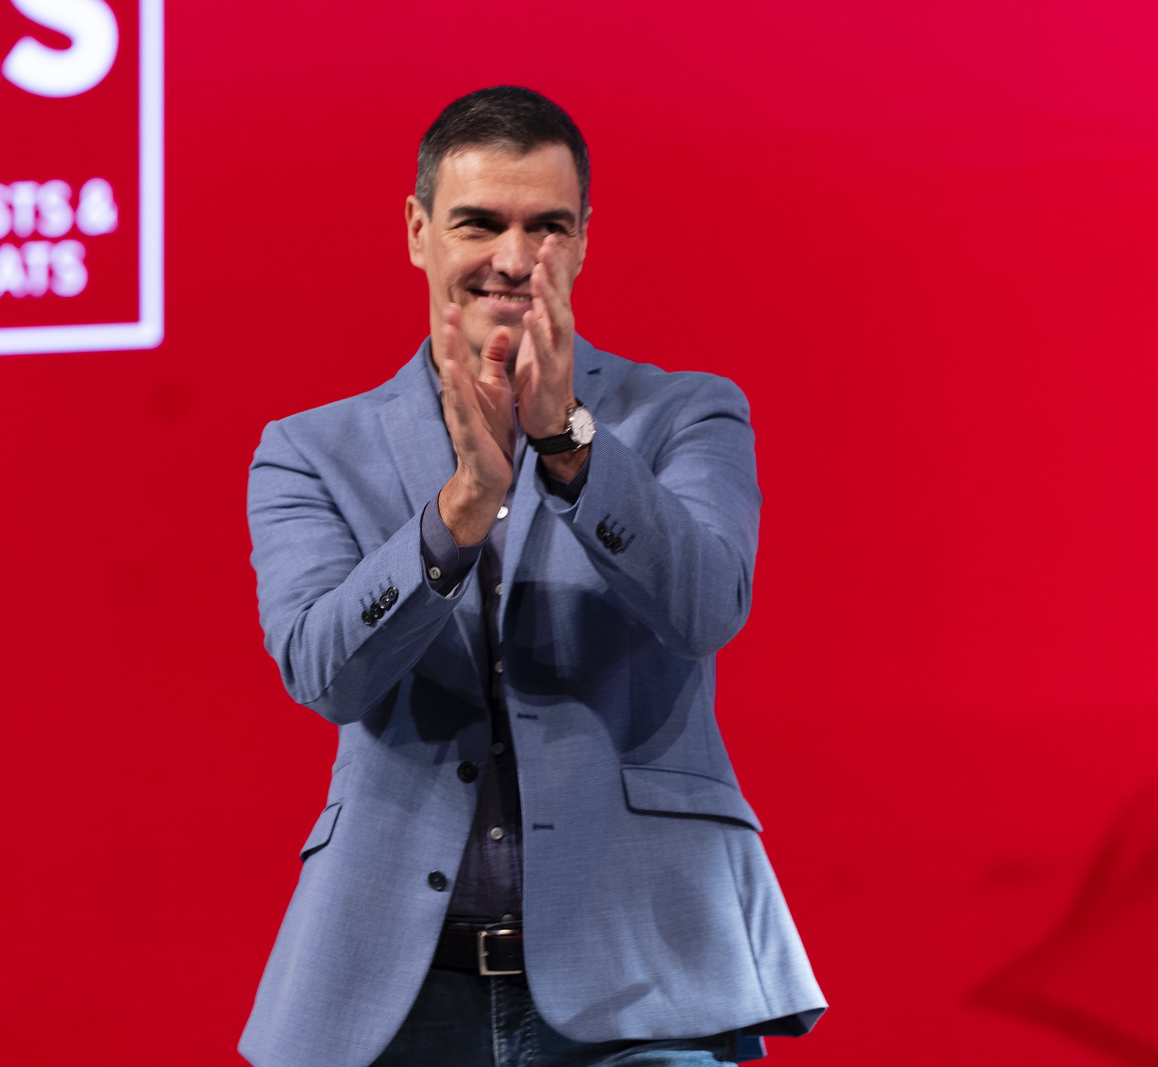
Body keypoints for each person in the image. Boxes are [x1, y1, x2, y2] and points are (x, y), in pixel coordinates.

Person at [240, 86, 825, 1067]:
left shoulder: (687, 413)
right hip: (397, 995)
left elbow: (704, 606)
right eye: (480, 223)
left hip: (645, 972)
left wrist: (567, 445)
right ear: (418, 230)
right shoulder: (308, 451)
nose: (514, 259)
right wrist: (458, 511)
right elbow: (323, 671)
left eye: (547, 225)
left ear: (585, 238)